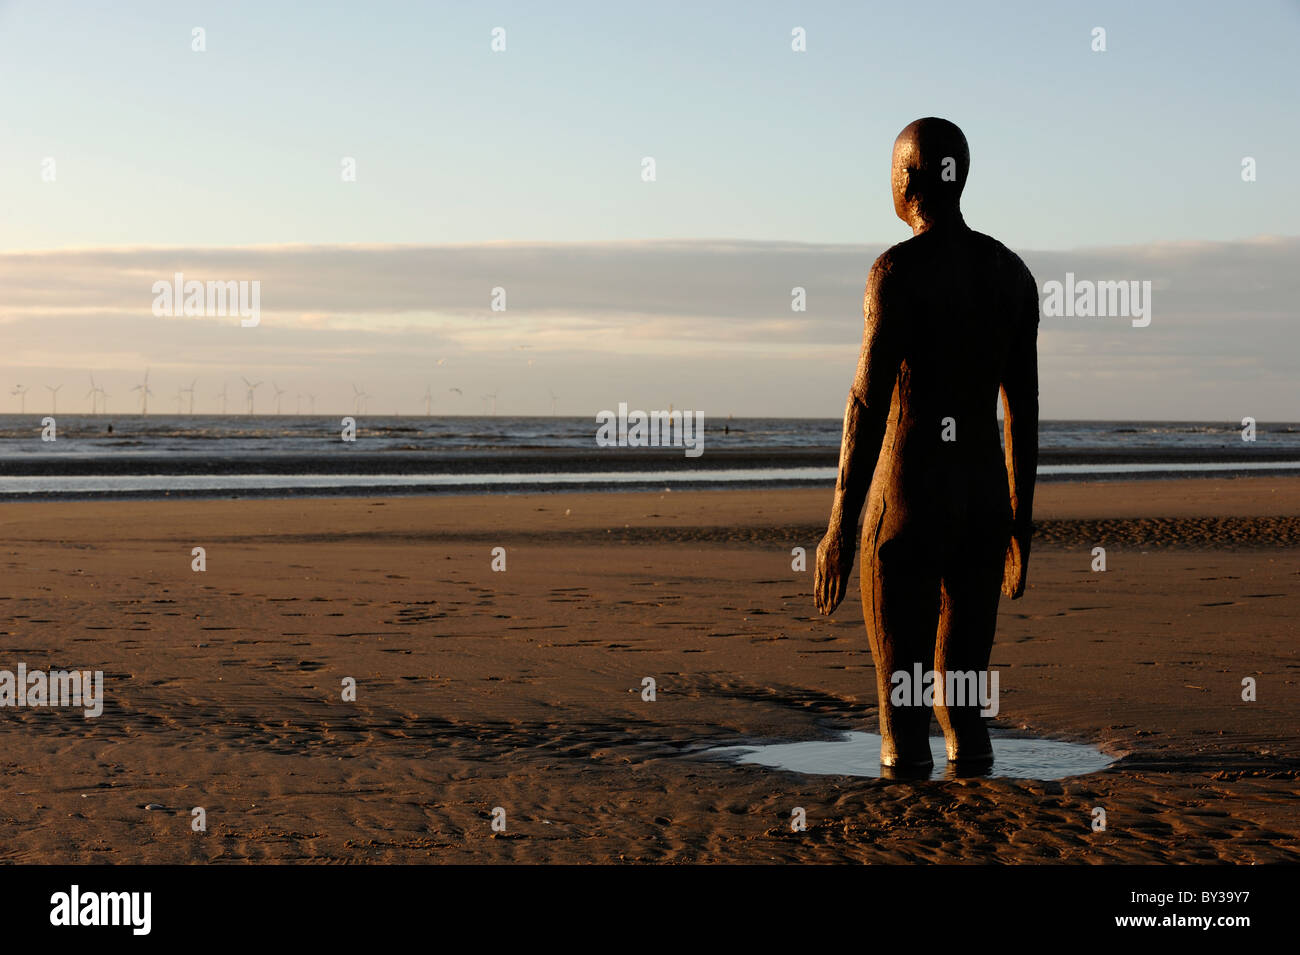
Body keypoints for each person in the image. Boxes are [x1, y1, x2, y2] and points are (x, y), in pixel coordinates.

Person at [813, 118, 1040, 770]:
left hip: (905, 507)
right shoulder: (1010, 275)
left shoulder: (896, 272)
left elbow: (865, 401)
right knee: (961, 703)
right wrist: (1020, 525)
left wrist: (839, 525)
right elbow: (1021, 411)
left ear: (907, 181)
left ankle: (906, 826)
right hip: (980, 506)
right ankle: (976, 816)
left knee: (902, 714)